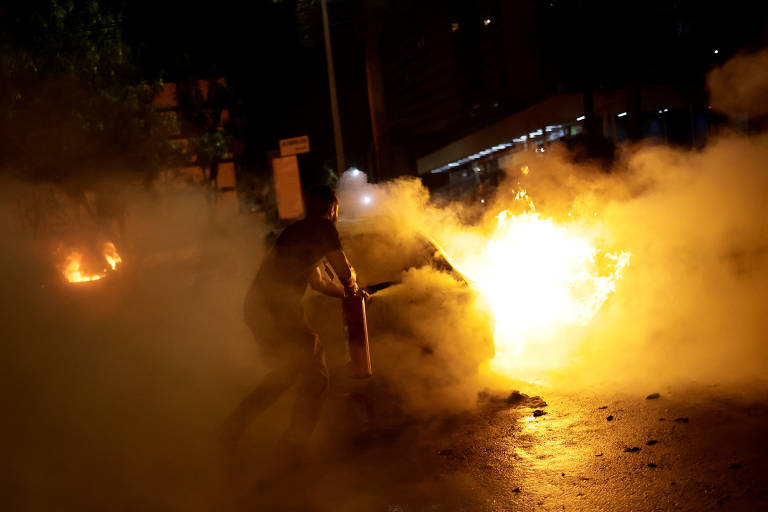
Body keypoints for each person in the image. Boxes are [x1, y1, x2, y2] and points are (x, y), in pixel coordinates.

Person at [222, 185, 366, 453]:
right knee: (315, 373)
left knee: (292, 372)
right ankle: (292, 445)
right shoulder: (324, 229)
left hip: (259, 308)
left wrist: (353, 295)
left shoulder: (298, 231)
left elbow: (321, 283)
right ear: (332, 208)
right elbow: (345, 274)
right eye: (336, 209)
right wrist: (353, 287)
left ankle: (235, 427)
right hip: (275, 309)